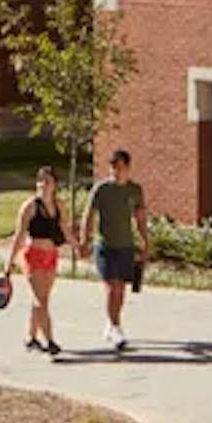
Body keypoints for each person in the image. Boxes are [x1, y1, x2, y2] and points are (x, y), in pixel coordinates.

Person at [78, 148, 148, 353]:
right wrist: (85, 241)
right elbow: (88, 216)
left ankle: (112, 323)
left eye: (120, 167)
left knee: (122, 289)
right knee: (112, 287)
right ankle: (116, 328)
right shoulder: (101, 190)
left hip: (126, 246)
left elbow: (141, 217)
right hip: (105, 246)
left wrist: (145, 242)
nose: (115, 171)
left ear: (128, 168)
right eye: (112, 167)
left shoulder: (135, 190)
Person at [1, 167, 69, 356]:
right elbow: (19, 236)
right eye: (41, 181)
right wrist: (9, 263)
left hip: (51, 256)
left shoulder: (59, 205)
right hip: (33, 255)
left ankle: (30, 338)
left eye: (48, 181)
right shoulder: (30, 207)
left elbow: (64, 227)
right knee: (41, 300)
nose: (44, 185)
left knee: (40, 299)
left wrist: (77, 246)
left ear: (55, 185)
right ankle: (50, 341)